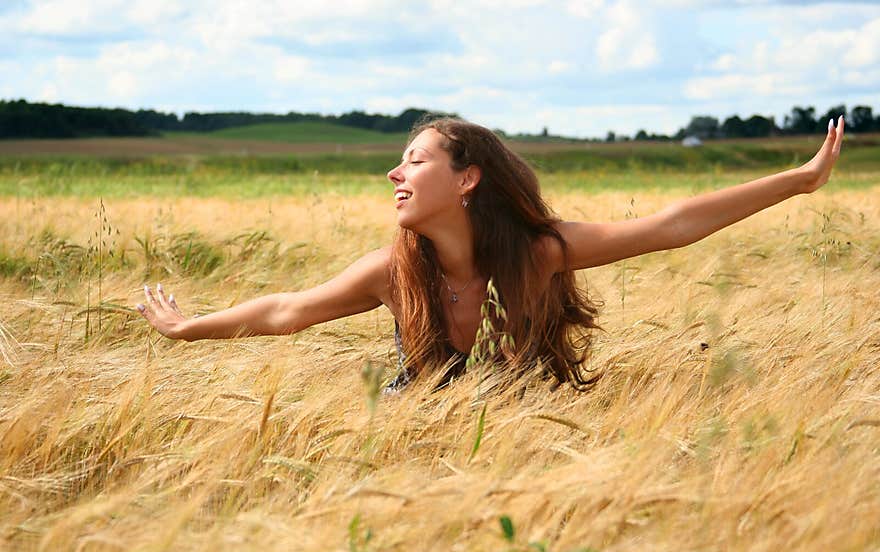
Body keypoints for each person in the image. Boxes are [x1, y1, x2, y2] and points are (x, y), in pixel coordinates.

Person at [136, 115, 846, 391]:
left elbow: (670, 224)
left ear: (467, 178)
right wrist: (187, 326)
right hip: (413, 447)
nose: (395, 173)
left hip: (533, 439)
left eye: (414, 161)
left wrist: (800, 180)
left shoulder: (539, 254)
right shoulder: (396, 271)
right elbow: (287, 309)